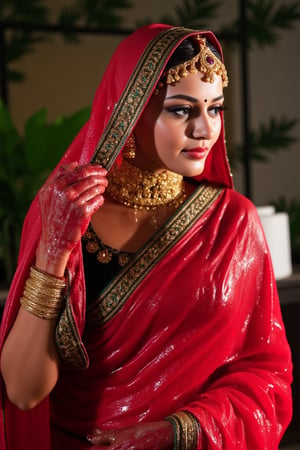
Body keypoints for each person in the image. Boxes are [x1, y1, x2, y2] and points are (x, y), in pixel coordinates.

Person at [0, 23, 293, 450]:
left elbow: (265, 374)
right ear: (129, 110)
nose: (204, 129)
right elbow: (23, 392)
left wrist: (177, 431)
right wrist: (54, 251)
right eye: (181, 109)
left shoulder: (233, 224)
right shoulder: (67, 215)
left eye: (215, 108)